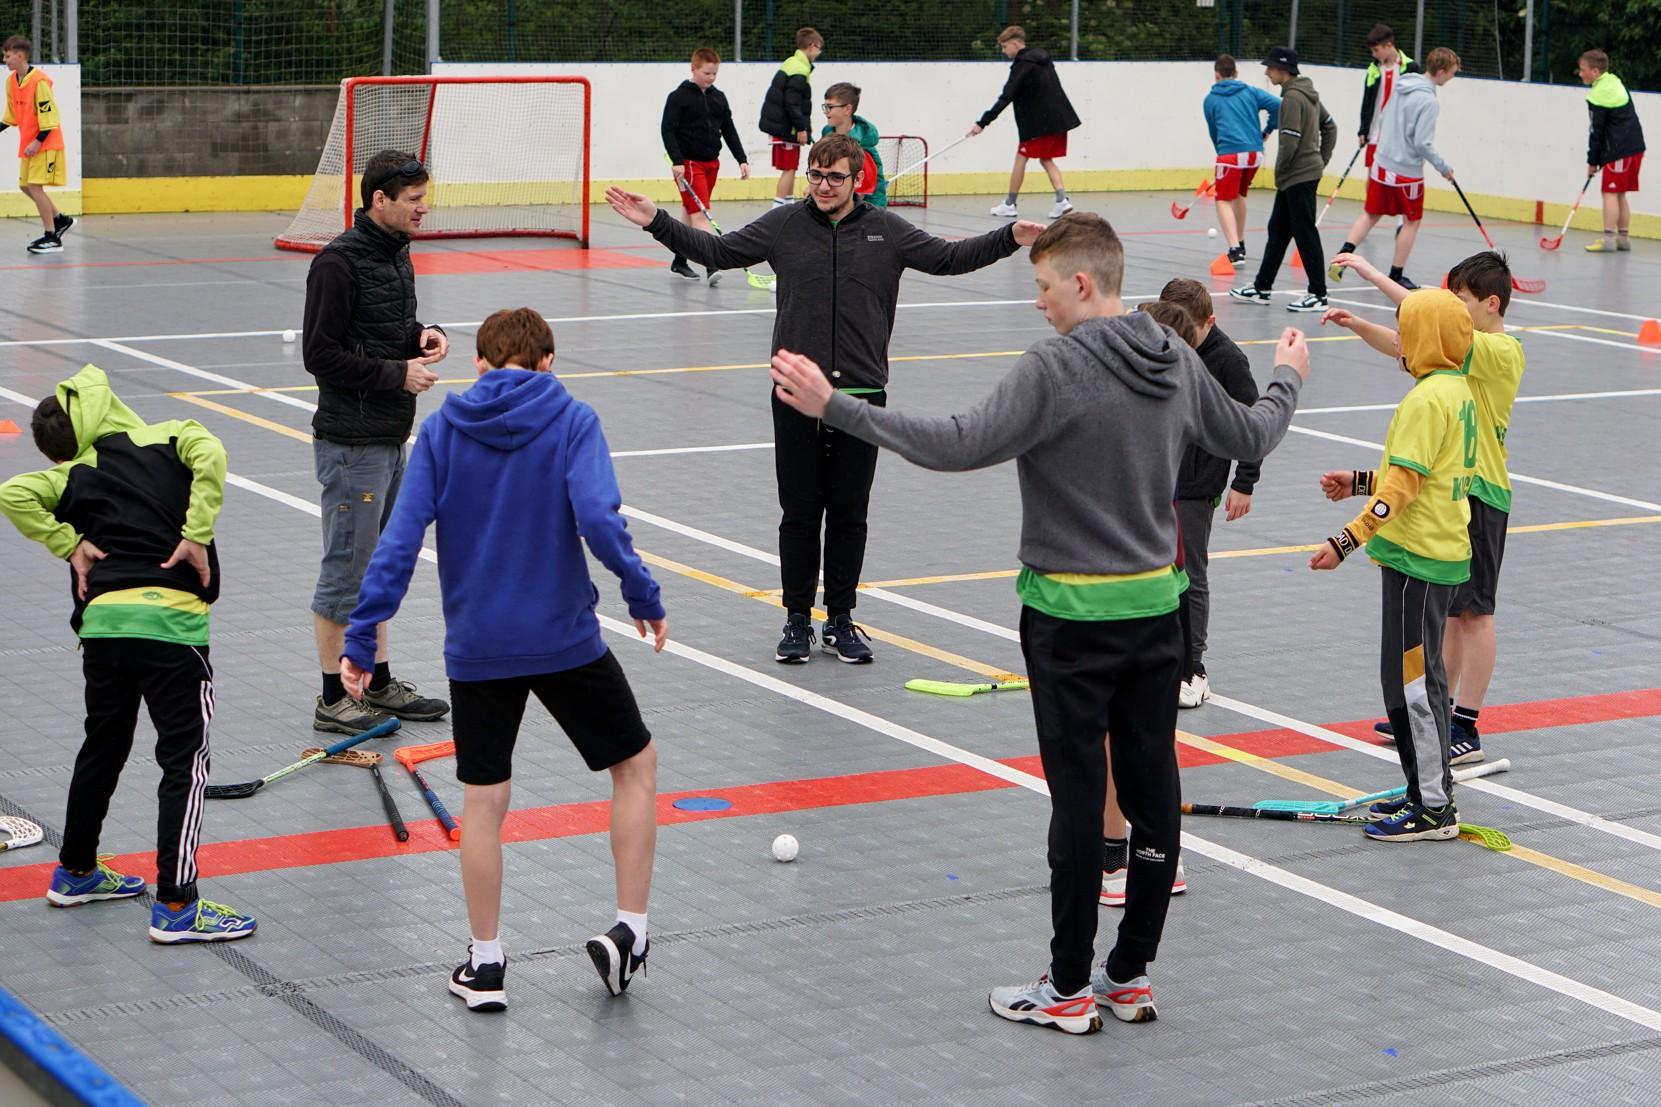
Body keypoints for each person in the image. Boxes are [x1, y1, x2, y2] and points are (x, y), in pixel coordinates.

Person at [770, 212, 1310, 1034]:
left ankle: (1065, 987)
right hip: (1156, 615)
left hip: (1068, 622)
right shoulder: (1174, 357)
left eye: (1043, 285)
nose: (1038, 302)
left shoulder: (1053, 367)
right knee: (1153, 792)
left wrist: (835, 406)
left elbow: (956, 444)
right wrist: (1286, 375)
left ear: (1081, 283)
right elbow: (1253, 430)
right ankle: (1127, 976)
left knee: (1078, 801)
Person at [605, 133, 1044, 665]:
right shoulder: (785, 225)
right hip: (795, 395)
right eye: (816, 175)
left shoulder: (887, 230)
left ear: (858, 180)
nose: (823, 186)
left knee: (850, 515)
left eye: (835, 177)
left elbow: (949, 258)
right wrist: (656, 221)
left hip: (861, 396)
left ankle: (840, 619)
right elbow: (718, 252)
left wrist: (1009, 237)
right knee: (799, 512)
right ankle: (796, 619)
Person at [340, 308, 668, 1012]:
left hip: (478, 646)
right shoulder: (574, 419)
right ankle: (630, 931)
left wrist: (362, 638)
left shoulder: (442, 432)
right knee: (634, 766)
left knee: (484, 801)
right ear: (548, 360)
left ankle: (485, 965)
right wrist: (640, 592)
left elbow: (399, 541)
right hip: (563, 638)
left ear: (480, 363)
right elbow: (599, 518)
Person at [0, 366, 257, 943]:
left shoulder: (71, 474)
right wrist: (196, 531)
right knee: (184, 763)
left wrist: (68, 543)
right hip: (172, 629)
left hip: (103, 630)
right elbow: (211, 452)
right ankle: (177, 906)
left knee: (103, 745)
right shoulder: (173, 434)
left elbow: (11, 493)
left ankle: (75, 872)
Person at [1325, 251, 1525, 765]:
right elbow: (1409, 337)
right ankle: (1433, 714)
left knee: (1475, 614)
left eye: (1461, 300)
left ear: (1491, 304)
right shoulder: (1455, 350)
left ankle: (1466, 725)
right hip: (1455, 488)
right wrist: (1357, 324)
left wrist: (1373, 274)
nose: (1453, 308)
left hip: (1481, 492)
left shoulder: (1502, 351)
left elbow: (1426, 315)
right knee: (1452, 614)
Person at [1310, 289, 1477, 842]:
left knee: (1412, 685)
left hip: (1418, 560)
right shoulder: (1455, 390)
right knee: (1409, 679)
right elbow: (1421, 475)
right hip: (1428, 552)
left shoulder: (1427, 400)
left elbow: (1404, 487)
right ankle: (1422, 789)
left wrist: (1347, 539)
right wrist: (1361, 481)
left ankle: (1434, 808)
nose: (1400, 342)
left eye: (1407, 332)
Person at [302, 149, 451, 735]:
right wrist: (397, 374)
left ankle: (378, 680)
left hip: (390, 436)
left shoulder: (395, 252)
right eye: (413, 200)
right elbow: (321, 354)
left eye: (424, 198)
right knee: (347, 571)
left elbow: (382, 328)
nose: (423, 209)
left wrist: (423, 336)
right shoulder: (337, 264)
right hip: (352, 445)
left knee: (380, 567)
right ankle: (332, 697)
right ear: (379, 200)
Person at [1157, 279, 1261, 708]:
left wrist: (1244, 481)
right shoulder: (1162, 344)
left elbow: (1253, 420)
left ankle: (1193, 669)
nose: (1179, 339)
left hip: (1196, 486)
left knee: (1190, 576)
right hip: (1155, 477)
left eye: (1188, 331)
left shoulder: (1228, 360)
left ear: (1209, 321)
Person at [1331, 48, 1460, 290]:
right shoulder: (1429, 102)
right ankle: (1396, 274)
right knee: (1411, 221)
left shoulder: (1401, 86)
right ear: (1442, 71)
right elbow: (1422, 143)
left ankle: (1341, 259)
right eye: (1452, 73)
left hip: (1381, 163)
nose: (1452, 78)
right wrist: (1444, 168)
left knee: (1371, 213)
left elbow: (1381, 118)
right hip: (1406, 172)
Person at [1229, 47, 1336, 313]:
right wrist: (1321, 160)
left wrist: (1283, 170)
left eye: (1271, 67)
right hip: (1301, 173)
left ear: (1283, 69)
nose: (1267, 72)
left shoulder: (1292, 98)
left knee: (1305, 233)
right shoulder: (1307, 94)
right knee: (1278, 230)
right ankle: (1262, 287)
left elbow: (1290, 141)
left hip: (1297, 176)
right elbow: (1330, 126)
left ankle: (1318, 294)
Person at [969, 25, 1081, 220]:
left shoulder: (1023, 65)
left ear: (1015, 43)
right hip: (1057, 120)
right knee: (1046, 159)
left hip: (1038, 124)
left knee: (1022, 157)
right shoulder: (1042, 60)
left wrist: (982, 123)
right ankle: (1062, 200)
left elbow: (1007, 96)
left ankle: (1010, 204)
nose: (1004, 52)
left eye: (1004, 47)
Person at [661, 46, 750, 284]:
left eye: (714, 74)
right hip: (689, 165)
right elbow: (667, 130)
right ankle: (711, 264)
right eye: (706, 73)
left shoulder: (718, 97)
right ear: (694, 69)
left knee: (690, 212)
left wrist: (741, 159)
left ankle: (679, 261)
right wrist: (677, 161)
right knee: (701, 215)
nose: (711, 78)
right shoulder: (679, 97)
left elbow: (728, 129)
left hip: (712, 164)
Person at [1203, 53, 1279, 267]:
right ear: (1236, 73)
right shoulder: (1251, 92)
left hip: (1229, 154)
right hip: (1255, 154)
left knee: (1222, 199)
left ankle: (1235, 250)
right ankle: (1241, 242)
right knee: (1238, 194)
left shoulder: (1210, 100)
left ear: (1217, 75)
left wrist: (1222, 155)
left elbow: (1214, 131)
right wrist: (1268, 129)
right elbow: (1279, 105)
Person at [2, 35, 72, 254]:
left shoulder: (39, 81)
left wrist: (37, 141)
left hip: (45, 143)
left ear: (20, 56)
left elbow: (50, 118)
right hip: (29, 145)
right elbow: (11, 116)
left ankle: (52, 237)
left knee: (34, 187)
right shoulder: (11, 82)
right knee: (25, 185)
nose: (5, 60)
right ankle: (60, 220)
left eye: (7, 56)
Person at [1579, 49, 1647, 253]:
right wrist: (1600, 158)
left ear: (1595, 71)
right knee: (1619, 193)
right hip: (1634, 147)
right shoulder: (1614, 82)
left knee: (1609, 192)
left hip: (1620, 150)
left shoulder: (1599, 94)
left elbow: (1596, 132)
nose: (1580, 74)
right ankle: (1623, 239)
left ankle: (1608, 240)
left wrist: (1592, 162)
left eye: (1583, 70)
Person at [759, 27, 822, 207]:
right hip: (788, 129)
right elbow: (792, 102)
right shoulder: (799, 69)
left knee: (791, 167)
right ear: (811, 46)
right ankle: (778, 207)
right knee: (789, 169)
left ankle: (788, 203)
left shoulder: (791, 62)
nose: (819, 53)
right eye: (818, 48)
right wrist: (801, 128)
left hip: (783, 127)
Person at [1356, 24, 1415, 170]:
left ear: (1389, 45)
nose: (1373, 55)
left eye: (1376, 50)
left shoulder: (1410, 68)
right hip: (1375, 133)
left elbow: (1414, 103)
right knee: (1372, 173)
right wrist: (1363, 129)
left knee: (1394, 174)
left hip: (1398, 136)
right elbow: (1367, 101)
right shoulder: (1374, 70)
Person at [820, 81, 886, 207]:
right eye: (825, 106)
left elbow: (860, 193)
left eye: (830, 107)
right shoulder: (826, 135)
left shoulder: (862, 147)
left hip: (863, 210)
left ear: (847, 109)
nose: (825, 111)